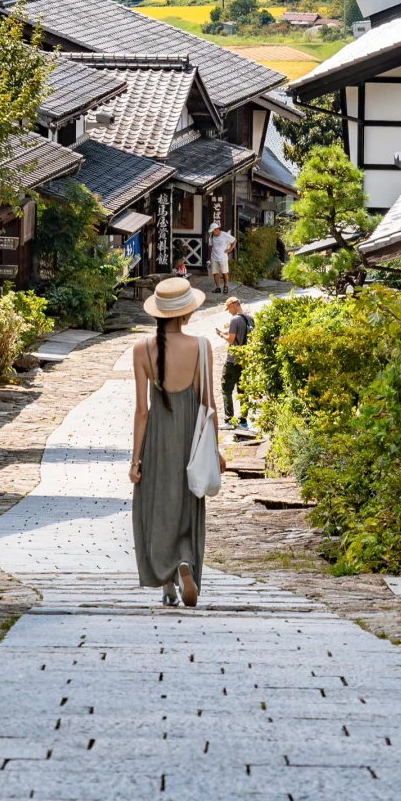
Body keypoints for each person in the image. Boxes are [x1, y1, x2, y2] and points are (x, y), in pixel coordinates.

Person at [130, 276, 225, 607]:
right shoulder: (201, 347)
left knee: (157, 507)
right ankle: (185, 563)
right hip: (191, 439)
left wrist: (135, 461)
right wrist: (216, 448)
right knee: (187, 505)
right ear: (186, 314)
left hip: (157, 439)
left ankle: (167, 578)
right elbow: (208, 405)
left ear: (157, 314)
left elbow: (142, 411)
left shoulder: (142, 350)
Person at [216, 296, 255, 432]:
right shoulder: (249, 318)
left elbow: (231, 339)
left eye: (228, 308)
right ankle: (244, 422)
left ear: (233, 305)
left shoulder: (234, 319)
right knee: (242, 390)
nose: (228, 311)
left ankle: (229, 419)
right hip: (246, 358)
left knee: (226, 388)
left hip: (233, 359)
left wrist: (221, 334)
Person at [207, 221, 236, 295]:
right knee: (215, 272)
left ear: (217, 229)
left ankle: (225, 286)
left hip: (223, 257)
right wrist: (210, 256)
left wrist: (230, 249)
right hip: (214, 257)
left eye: (213, 231)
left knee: (224, 272)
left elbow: (234, 240)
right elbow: (210, 246)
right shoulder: (211, 236)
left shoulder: (224, 235)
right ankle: (218, 287)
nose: (212, 233)